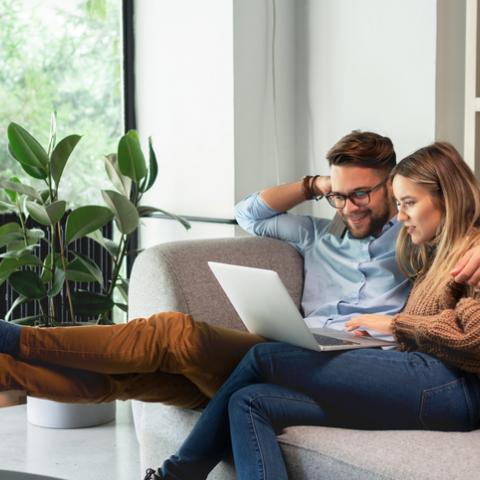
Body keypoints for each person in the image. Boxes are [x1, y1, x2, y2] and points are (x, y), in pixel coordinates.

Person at [0, 132, 478, 407]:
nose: (350, 206)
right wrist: (315, 185)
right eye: (339, 193)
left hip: (352, 361)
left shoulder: (415, 237)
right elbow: (249, 213)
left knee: (174, 335)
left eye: (364, 193)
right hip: (296, 342)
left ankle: (17, 339)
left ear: (391, 188)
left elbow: (460, 212)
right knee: (137, 381)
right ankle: (8, 370)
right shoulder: (318, 234)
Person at [148, 141, 480, 480]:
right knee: (249, 401)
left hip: (452, 388)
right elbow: (250, 213)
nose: (400, 215)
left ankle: (176, 474)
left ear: (448, 198)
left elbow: (475, 337)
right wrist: (317, 185)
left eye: (408, 203)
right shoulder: (430, 248)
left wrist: (397, 325)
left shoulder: (473, 253)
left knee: (264, 356)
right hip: (417, 378)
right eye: (398, 203)